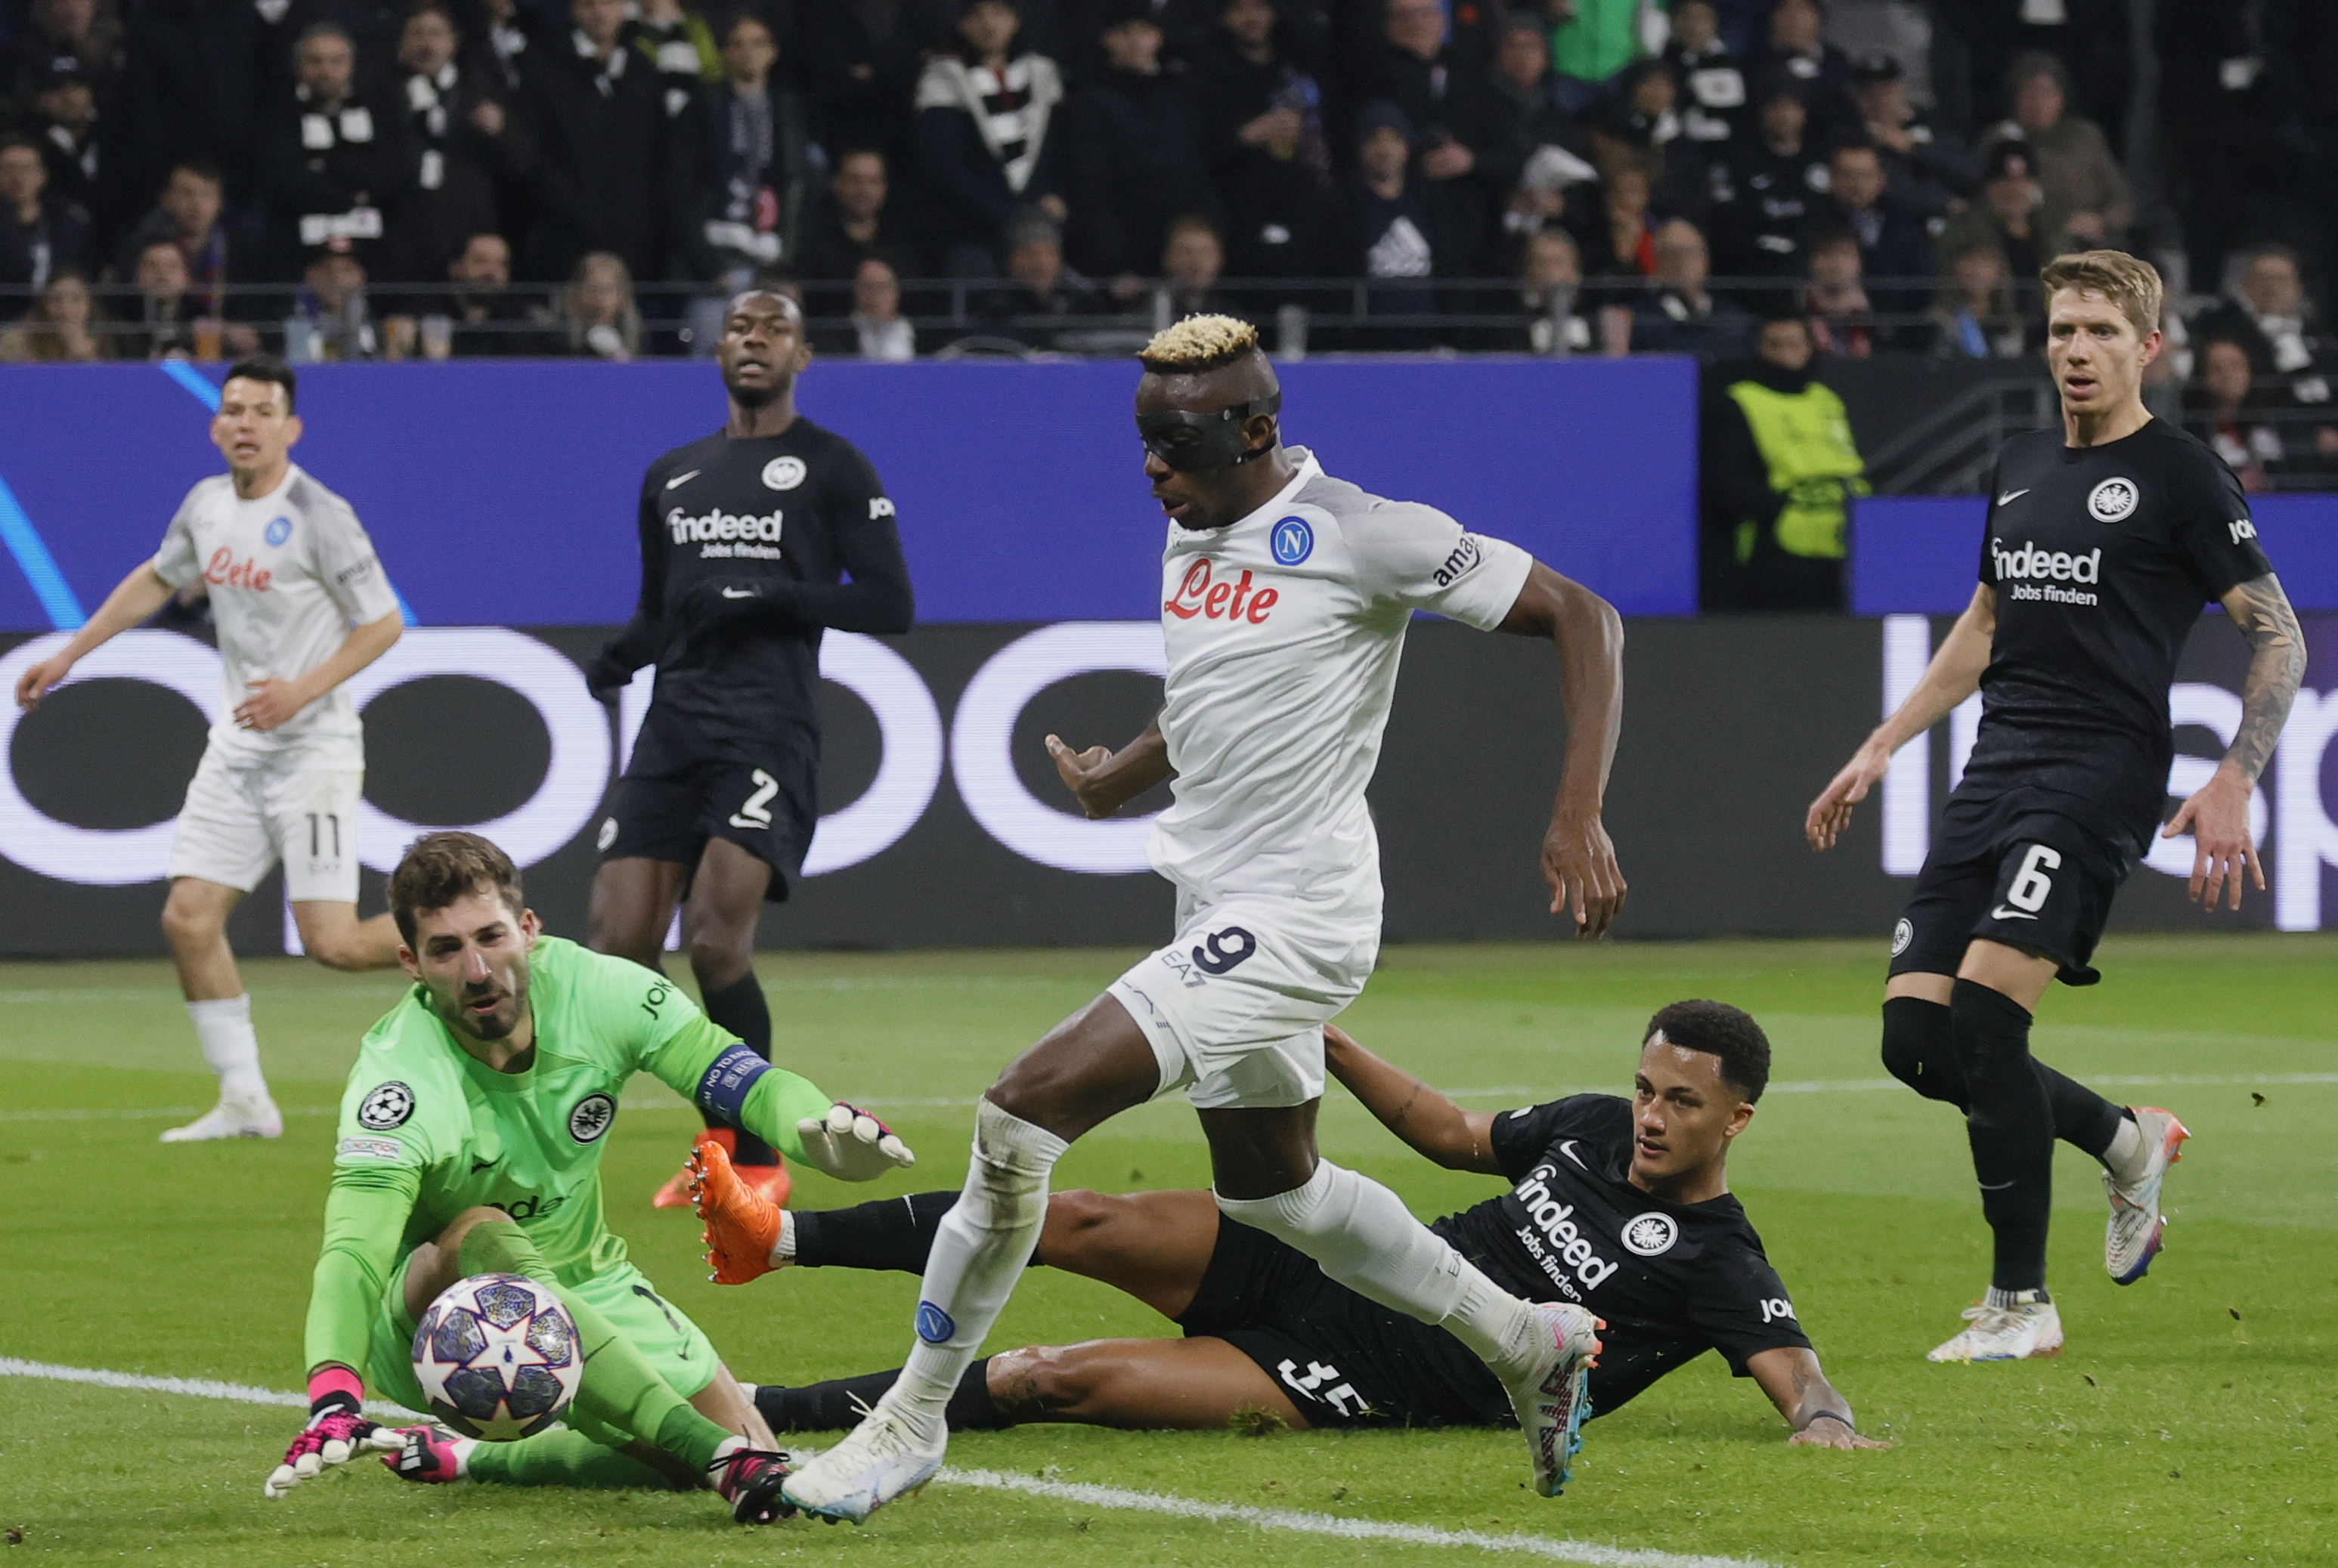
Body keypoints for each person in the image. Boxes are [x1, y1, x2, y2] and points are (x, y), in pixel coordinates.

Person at [776, 314, 1628, 1522]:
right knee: (1276, 1193)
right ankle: (1524, 1338)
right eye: (1143, 440)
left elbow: (1587, 616)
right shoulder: (1193, 529)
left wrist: (1576, 816)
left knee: (1021, 1112)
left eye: (1175, 442)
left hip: (1299, 910)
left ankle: (909, 1420)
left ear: (1258, 428)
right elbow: (1217, 693)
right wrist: (1117, 776)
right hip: (1214, 893)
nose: (1152, 468)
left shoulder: (1366, 533)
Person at [1804, 251, 2306, 1362]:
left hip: (2097, 775)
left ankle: (2020, 1304)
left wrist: (2234, 773)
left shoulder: (2179, 472)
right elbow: (1982, 624)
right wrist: (1883, 743)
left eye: (2099, 333)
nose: (2076, 350)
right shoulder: (2020, 462)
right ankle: (2125, 1139)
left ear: (2147, 349)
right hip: (1994, 769)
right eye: (2061, 330)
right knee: (1913, 1038)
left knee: (1987, 1021)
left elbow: (2276, 629)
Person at [710, 1006, 1883, 1450]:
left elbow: (1797, 1374)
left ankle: (769, 1408)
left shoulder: (1720, 1258)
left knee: (1041, 1377)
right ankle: (786, 1238)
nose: (1651, 1115)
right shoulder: (1583, 1127)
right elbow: (1447, 1131)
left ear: (1738, 1116)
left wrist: (1822, 1423)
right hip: (1339, 1256)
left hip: (1351, 1371)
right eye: (1645, 1087)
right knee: (1078, 1213)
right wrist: (1327, 1035)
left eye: (1681, 1101)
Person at [262, 830, 915, 1516]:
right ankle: (718, 1456)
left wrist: (814, 1132)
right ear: (410, 963)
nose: (478, 970)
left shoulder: (603, 992)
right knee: (481, 1231)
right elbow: (355, 1249)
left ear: (528, 929)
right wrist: (335, 1393)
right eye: (446, 950)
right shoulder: (398, 1079)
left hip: (589, 1280)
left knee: (749, 1450)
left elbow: (741, 1078)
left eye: (490, 937)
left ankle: (476, 1456)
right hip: (436, 1323)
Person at [13, 357, 407, 1142]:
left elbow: (383, 622)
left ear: (290, 429)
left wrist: (301, 688)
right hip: (237, 747)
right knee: (189, 918)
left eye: (263, 410)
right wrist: (71, 652)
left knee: (332, 942)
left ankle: (483, 939)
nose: (246, 423)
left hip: (313, 749)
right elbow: (157, 578)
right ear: (215, 424)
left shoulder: (321, 513)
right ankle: (245, 1100)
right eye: (234, 409)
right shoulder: (205, 505)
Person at [583, 289, 913, 1210]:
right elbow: (663, 610)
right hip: (673, 725)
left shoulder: (832, 466)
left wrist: (772, 598)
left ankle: (754, 1157)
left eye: (774, 330)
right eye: (740, 328)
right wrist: (617, 657)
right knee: (618, 948)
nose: (754, 340)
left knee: (716, 941)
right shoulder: (672, 475)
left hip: (767, 728)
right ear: (717, 350)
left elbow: (892, 601)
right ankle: (702, 1136)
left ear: (804, 355)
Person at [1699, 311, 1865, 609]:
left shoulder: (1827, 400)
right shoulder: (1741, 401)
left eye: (1793, 344)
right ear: (1760, 350)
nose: (1785, 353)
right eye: (1774, 345)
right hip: (1777, 548)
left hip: (1842, 541)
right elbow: (1728, 480)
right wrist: (1778, 509)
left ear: (1809, 348)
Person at [1063, 1, 1219, 282]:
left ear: (1157, 37)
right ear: (1108, 38)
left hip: (1180, 245)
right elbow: (1090, 186)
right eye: (1125, 32)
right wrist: (1113, 265)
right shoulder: (1088, 100)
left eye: (1144, 32)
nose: (1135, 41)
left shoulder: (1181, 95)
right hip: (1124, 251)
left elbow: (1196, 168)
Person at [914, 0, 1066, 277]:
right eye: (977, 15)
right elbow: (946, 163)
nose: (989, 24)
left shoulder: (1042, 75)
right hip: (971, 229)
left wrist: (1051, 197)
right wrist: (1002, 213)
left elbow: (1061, 149)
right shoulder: (943, 79)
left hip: (1038, 224)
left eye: (999, 13)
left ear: (1016, 20)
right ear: (962, 24)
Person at [1188, 0, 1330, 280]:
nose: (1251, 18)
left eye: (1258, 8)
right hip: (1238, 208)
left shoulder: (1296, 63)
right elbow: (1195, 149)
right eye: (1239, 9)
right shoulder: (1207, 73)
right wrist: (1246, 135)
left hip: (1301, 200)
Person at [259, 21, 410, 274]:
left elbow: (391, 171)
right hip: (297, 252)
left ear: (351, 65)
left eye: (336, 61)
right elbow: (283, 180)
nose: (326, 71)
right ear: (298, 67)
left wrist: (325, 165)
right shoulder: (278, 117)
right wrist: (353, 195)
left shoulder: (379, 112)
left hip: (374, 253)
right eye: (315, 61)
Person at [689, 14, 811, 288]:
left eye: (758, 43)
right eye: (738, 44)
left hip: (771, 253)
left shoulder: (787, 110)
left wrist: (786, 254)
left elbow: (797, 183)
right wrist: (706, 264)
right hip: (718, 256)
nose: (748, 52)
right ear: (724, 53)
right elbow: (684, 188)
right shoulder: (704, 107)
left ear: (773, 52)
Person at [1990, 51, 2129, 251]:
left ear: (2061, 98)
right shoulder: (2002, 140)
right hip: (2033, 244)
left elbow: (2120, 199)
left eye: (2047, 93)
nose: (2039, 103)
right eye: (2030, 93)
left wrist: (2102, 222)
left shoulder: (2087, 136)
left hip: (2092, 239)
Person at [1630, 217, 1753, 358]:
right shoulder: (1642, 319)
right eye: (1672, 254)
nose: (1682, 262)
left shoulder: (1733, 318)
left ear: (1706, 259)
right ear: (1658, 261)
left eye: (1691, 253)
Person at [0, 132, 89, 314]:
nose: (18, 178)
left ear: (42, 175)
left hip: (56, 317)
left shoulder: (67, 221)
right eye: (9, 169)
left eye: (26, 169)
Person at [795, 147, 912, 283]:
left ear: (884, 188)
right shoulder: (813, 242)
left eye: (872, 182)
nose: (864, 190)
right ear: (836, 184)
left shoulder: (902, 244)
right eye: (854, 180)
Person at [1928, 242, 2025, 360]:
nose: (1977, 271)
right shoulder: (1938, 322)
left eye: (1985, 261)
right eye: (1969, 261)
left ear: (2000, 271)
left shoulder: (2012, 325)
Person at [547, 250, 640, 359]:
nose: (599, 298)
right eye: (592, 289)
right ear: (576, 294)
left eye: (608, 290)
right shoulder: (556, 341)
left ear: (622, 297)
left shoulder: (639, 339)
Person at [0, 267, 103, 360]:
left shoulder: (101, 341)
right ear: (44, 305)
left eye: (76, 300)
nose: (66, 311)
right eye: (56, 300)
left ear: (89, 305)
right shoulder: (18, 343)